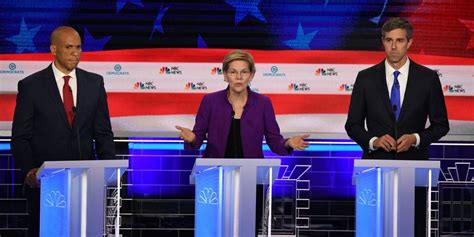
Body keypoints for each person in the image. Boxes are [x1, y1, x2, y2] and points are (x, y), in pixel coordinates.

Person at [345, 17, 449, 236]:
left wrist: (416, 138)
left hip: (414, 167)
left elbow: (441, 125)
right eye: (389, 40)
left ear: (409, 43)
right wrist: (373, 141)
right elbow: (352, 125)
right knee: (372, 230)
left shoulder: (428, 78)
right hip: (374, 168)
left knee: (412, 228)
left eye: (399, 40)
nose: (394, 46)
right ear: (382, 41)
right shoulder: (365, 78)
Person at [11, 26, 116, 236]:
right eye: (68, 47)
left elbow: (103, 132)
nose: (75, 53)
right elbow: (20, 136)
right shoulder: (31, 86)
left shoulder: (94, 83)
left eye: (78, 47)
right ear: (53, 49)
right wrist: (30, 172)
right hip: (46, 184)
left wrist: (109, 170)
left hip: (85, 182)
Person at [176, 49, 309, 158]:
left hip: (251, 174)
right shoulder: (210, 101)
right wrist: (192, 138)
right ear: (225, 75)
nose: (238, 77)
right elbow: (197, 139)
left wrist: (288, 143)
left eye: (244, 72)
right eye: (233, 72)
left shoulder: (263, 103)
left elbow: (274, 141)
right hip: (215, 173)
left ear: (251, 75)